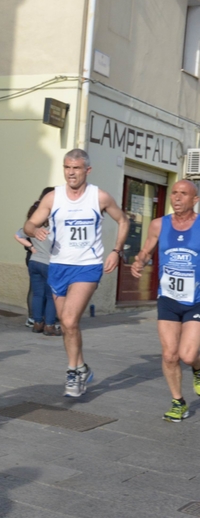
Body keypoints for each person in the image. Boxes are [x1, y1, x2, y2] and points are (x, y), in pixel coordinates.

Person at [25, 148, 129, 398]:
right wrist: (33, 230)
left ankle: (72, 372)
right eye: (67, 167)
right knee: (67, 324)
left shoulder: (99, 197)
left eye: (76, 168)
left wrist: (116, 251)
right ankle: (82, 367)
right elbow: (29, 223)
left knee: (70, 321)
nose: (70, 173)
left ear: (87, 170)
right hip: (58, 266)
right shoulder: (53, 197)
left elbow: (123, 220)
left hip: (87, 266)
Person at [131, 180, 200, 421]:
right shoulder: (159, 225)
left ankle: (197, 368)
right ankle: (178, 402)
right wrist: (139, 261)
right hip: (168, 298)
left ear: (195, 199)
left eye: (184, 194)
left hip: (196, 301)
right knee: (170, 354)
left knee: (188, 356)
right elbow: (146, 250)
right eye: (174, 193)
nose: (177, 198)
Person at [15, 187, 60, 336]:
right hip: (49, 263)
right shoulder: (53, 225)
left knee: (37, 295)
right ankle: (49, 326)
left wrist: (31, 247)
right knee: (51, 296)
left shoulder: (33, 226)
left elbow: (17, 234)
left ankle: (37, 323)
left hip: (34, 262)